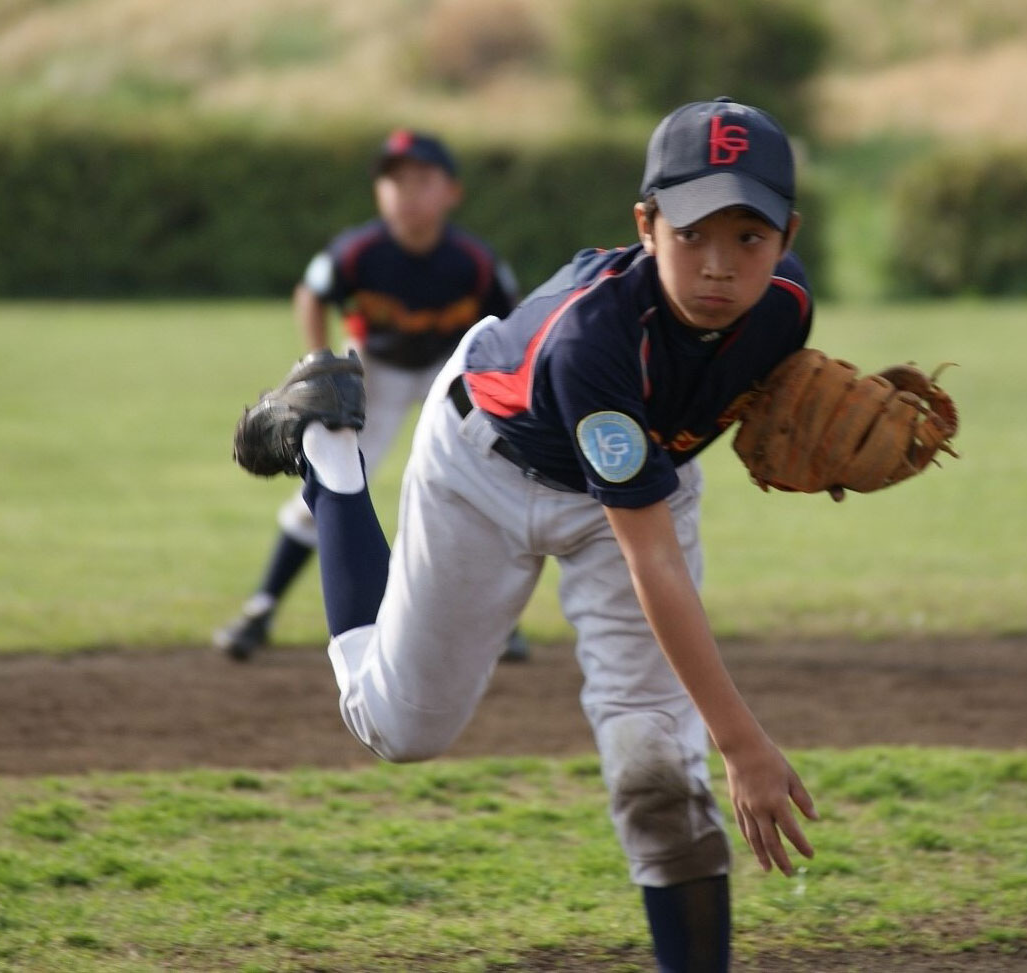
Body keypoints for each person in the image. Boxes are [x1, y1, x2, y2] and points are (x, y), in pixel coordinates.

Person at [232, 97, 818, 971]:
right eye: (691, 232)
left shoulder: (787, 308)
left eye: (749, 236)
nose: (717, 265)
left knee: (658, 766)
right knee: (400, 728)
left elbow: (731, 390)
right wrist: (740, 742)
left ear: (786, 237)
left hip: (638, 479)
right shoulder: (594, 340)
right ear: (645, 225)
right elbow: (651, 556)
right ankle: (331, 455)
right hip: (486, 465)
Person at [215, 128, 532, 663]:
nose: (405, 192)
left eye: (421, 180)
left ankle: (501, 622)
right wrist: (321, 364)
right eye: (394, 181)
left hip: (448, 369)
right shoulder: (360, 250)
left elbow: (514, 318)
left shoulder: (473, 260)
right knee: (331, 476)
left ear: (452, 192)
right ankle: (261, 607)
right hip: (374, 370)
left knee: (483, 486)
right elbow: (312, 293)